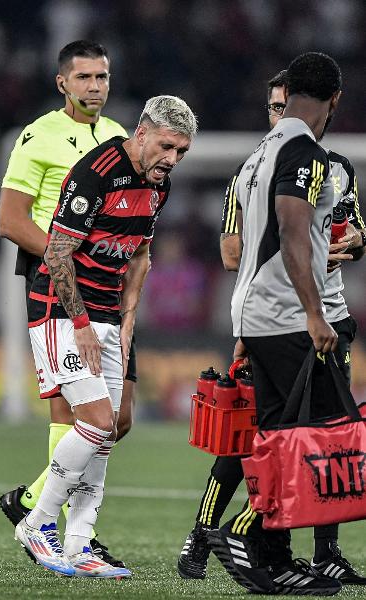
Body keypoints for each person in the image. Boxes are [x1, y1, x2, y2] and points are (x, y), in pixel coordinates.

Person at [178, 70, 366, 585]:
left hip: (279, 316)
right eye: (272, 105)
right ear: (333, 100)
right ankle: (241, 533)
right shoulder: (296, 155)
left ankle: (280, 557)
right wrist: (311, 310)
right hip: (291, 317)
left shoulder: (269, 160)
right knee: (296, 438)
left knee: (295, 436)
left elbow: (351, 233)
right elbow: (273, 234)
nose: (279, 113)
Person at [13, 95, 197, 578]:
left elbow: (138, 256)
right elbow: (56, 253)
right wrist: (81, 326)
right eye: (165, 146)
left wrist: (126, 323)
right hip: (59, 309)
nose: (171, 160)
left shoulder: (160, 186)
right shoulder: (96, 171)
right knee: (95, 421)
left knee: (110, 430)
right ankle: (37, 522)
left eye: (180, 152)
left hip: (108, 317)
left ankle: (79, 544)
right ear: (141, 133)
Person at [0, 40, 132, 566]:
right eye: (84, 78)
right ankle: (65, 532)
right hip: (58, 278)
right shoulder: (40, 136)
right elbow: (10, 221)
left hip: (109, 284)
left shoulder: (121, 137)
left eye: (101, 77)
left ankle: (31, 502)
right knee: (75, 410)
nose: (95, 86)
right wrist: (67, 256)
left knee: (116, 419)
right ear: (63, 83)